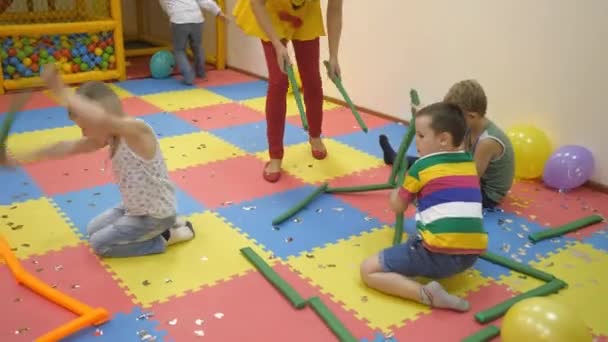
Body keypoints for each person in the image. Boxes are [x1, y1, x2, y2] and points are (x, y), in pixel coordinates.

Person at [0, 64, 195, 258]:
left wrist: (59, 89)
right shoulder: (109, 136)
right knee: (92, 228)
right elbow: (67, 147)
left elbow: (101, 118)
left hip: (153, 216)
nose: (83, 133)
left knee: (100, 244)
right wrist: (21, 157)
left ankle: (166, 236)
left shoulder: (136, 131)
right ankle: (167, 224)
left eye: (85, 127)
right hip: (135, 207)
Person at [361, 102, 487, 312]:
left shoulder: (421, 166)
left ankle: (426, 294)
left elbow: (398, 206)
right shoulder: (468, 162)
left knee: (368, 270)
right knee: (417, 238)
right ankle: (413, 271)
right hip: (470, 257)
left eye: (420, 136)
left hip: (438, 257)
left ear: (444, 139)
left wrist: (398, 189)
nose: (416, 142)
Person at [232, 0, 343, 182]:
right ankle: (275, 154)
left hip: (306, 12)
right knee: (279, 81)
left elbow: (335, 9)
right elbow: (257, 3)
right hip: (270, 10)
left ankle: (315, 136)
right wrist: (277, 44)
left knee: (312, 79)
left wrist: (333, 56)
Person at [379, 80, 514, 208]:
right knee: (428, 161)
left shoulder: (487, 142)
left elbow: (470, 180)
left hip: (486, 194)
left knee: (433, 186)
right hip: (471, 174)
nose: (451, 121)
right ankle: (395, 157)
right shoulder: (468, 125)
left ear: (472, 116)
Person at [159, 0, 228, 84]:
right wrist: (218, 12)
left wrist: (171, 15)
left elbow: (165, 6)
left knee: (179, 50)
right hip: (197, 19)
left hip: (179, 19)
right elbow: (204, 1)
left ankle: (188, 76)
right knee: (197, 46)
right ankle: (201, 73)